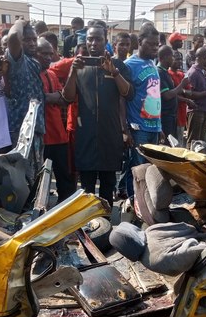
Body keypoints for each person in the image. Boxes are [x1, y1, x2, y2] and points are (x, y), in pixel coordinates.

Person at [63, 24, 133, 206]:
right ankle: (89, 226)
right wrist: (72, 71)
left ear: (106, 41)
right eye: (90, 39)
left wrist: (114, 72)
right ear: (85, 41)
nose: (93, 43)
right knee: (86, 189)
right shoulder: (79, 66)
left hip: (110, 136)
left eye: (98, 39)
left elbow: (128, 93)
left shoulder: (117, 66)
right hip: (85, 136)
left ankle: (106, 226)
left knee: (108, 187)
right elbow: (68, 97)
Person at [123, 22, 162, 197]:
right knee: (138, 171)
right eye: (151, 44)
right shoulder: (129, 65)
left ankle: (144, 204)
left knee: (150, 171)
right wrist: (125, 130)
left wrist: (159, 127)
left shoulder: (153, 64)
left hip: (153, 126)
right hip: (138, 128)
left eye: (157, 45)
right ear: (139, 41)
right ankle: (134, 203)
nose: (155, 48)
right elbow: (122, 99)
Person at [36, 37, 76, 202]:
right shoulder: (31, 75)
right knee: (37, 181)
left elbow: (64, 98)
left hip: (58, 136)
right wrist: (51, 97)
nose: (47, 57)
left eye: (50, 54)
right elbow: (37, 98)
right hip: (40, 138)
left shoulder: (51, 74)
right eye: (43, 53)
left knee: (65, 178)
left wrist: (49, 97)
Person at [5, 19, 46, 174]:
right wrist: (20, 22)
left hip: (36, 130)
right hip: (21, 132)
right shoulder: (17, 61)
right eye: (26, 40)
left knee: (36, 178)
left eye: (34, 39)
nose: (32, 43)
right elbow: (14, 36)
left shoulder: (34, 62)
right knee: (23, 179)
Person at [185, 47, 206, 147]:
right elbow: (190, 94)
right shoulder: (193, 73)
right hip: (196, 111)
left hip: (204, 110)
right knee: (193, 142)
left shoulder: (201, 71)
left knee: (201, 143)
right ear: (203, 58)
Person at [157, 45, 189, 145]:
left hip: (171, 116)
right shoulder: (160, 72)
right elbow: (167, 95)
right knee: (167, 145)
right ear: (166, 57)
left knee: (172, 144)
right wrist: (182, 84)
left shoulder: (165, 72)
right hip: (165, 117)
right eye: (172, 57)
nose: (173, 59)